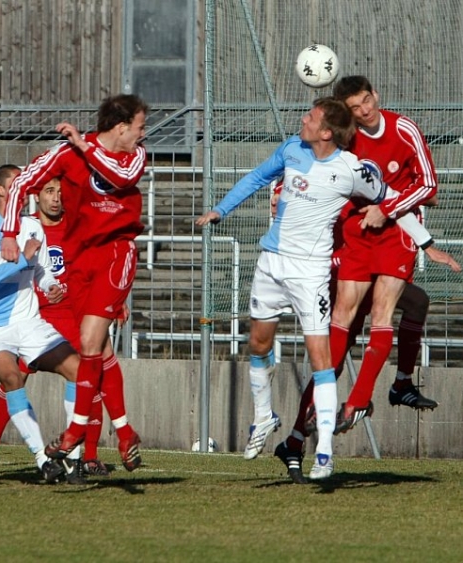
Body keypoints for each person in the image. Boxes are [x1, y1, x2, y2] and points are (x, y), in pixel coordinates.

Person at [194, 97, 435, 479]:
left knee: (330, 352)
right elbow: (259, 177)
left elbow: (392, 200)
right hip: (286, 262)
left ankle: (322, 445)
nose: (302, 119)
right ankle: (275, 422)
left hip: (315, 270)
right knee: (267, 345)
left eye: (310, 116)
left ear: (326, 131)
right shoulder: (293, 149)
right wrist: (220, 209)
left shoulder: (352, 168)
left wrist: (426, 242)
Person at [267, 185, 460, 484]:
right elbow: (302, 181)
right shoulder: (346, 173)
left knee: (413, 304)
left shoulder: (376, 180)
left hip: (369, 261)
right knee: (334, 360)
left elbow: (423, 197)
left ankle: (298, 438)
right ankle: (303, 435)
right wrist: (283, 195)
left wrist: (418, 227)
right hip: (345, 264)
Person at [0, 94, 148, 472]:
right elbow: (21, 183)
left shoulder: (135, 156)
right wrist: (9, 232)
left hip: (116, 252)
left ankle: (75, 431)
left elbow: (121, 178)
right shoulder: (66, 153)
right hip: (81, 260)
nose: (143, 134)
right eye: (139, 126)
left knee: (90, 342)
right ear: (121, 127)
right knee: (98, 349)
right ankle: (125, 431)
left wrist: (84, 145)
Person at [0, 177, 111, 478]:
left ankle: (81, 457)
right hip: (16, 320)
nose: (56, 198)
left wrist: (56, 285)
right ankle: (0, 453)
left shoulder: (61, 227)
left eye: (60, 192)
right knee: (12, 379)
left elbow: (55, 269)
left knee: (86, 375)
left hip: (64, 316)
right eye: (49, 191)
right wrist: (12, 263)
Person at [326, 76, 444, 434]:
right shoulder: (346, 138)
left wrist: (390, 208)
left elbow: (429, 187)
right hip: (354, 237)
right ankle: (321, 403)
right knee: (346, 317)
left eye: (367, 100)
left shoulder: (403, 128)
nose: (365, 111)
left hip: (395, 235)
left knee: (394, 307)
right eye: (355, 108)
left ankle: (367, 396)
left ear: (375, 94)